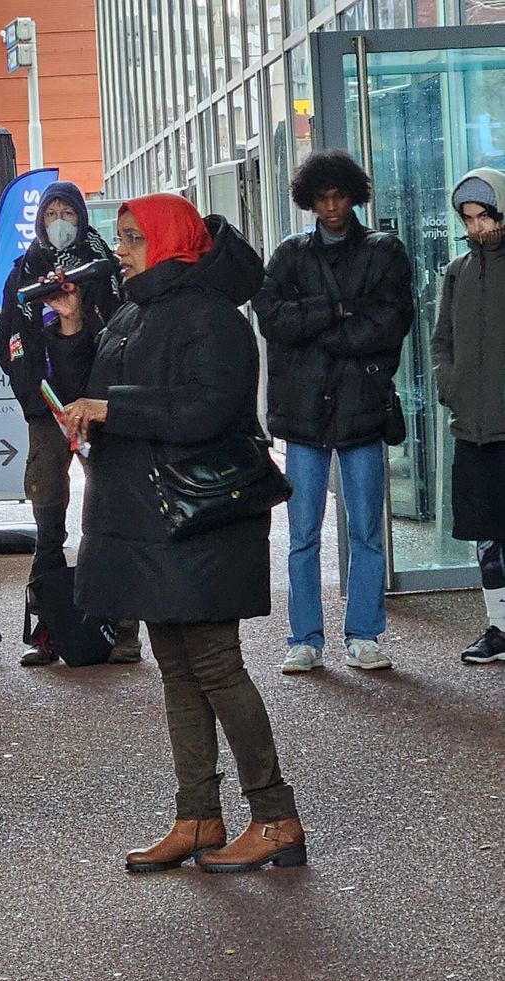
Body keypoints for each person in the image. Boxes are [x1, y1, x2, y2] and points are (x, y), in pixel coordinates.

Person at [62, 193, 305, 874]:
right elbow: (103, 393)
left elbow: (207, 408)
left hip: (199, 519)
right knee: (176, 665)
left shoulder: (212, 315)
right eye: (120, 237)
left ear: (172, 240)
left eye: (135, 237)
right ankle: (197, 815)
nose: (121, 249)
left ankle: (277, 815)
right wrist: (77, 331)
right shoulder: (135, 309)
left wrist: (113, 406)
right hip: (151, 516)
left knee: (217, 666)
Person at [255, 149, 413, 674]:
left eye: (338, 195)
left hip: (361, 407)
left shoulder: (385, 251)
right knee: (302, 532)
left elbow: (390, 324)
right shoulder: (289, 254)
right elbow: (272, 320)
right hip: (304, 413)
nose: (330, 206)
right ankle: (304, 636)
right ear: (309, 199)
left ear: (353, 195)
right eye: (321, 197)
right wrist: (339, 309)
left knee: (366, 528)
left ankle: (363, 634)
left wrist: (316, 332)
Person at [0, 180, 141, 667]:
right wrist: (28, 385)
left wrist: (79, 322)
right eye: (51, 210)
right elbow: (6, 340)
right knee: (48, 521)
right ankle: (48, 627)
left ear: (80, 217)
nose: (59, 219)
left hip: (98, 410)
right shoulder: (23, 271)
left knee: (110, 516)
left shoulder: (104, 266)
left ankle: (122, 628)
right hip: (45, 411)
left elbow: (123, 332)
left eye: (68, 211)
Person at [431, 168, 505, 663]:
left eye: (485, 217)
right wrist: (450, 386)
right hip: (472, 429)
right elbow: (442, 342)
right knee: (486, 535)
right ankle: (499, 627)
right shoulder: (457, 271)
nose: (477, 227)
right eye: (469, 218)